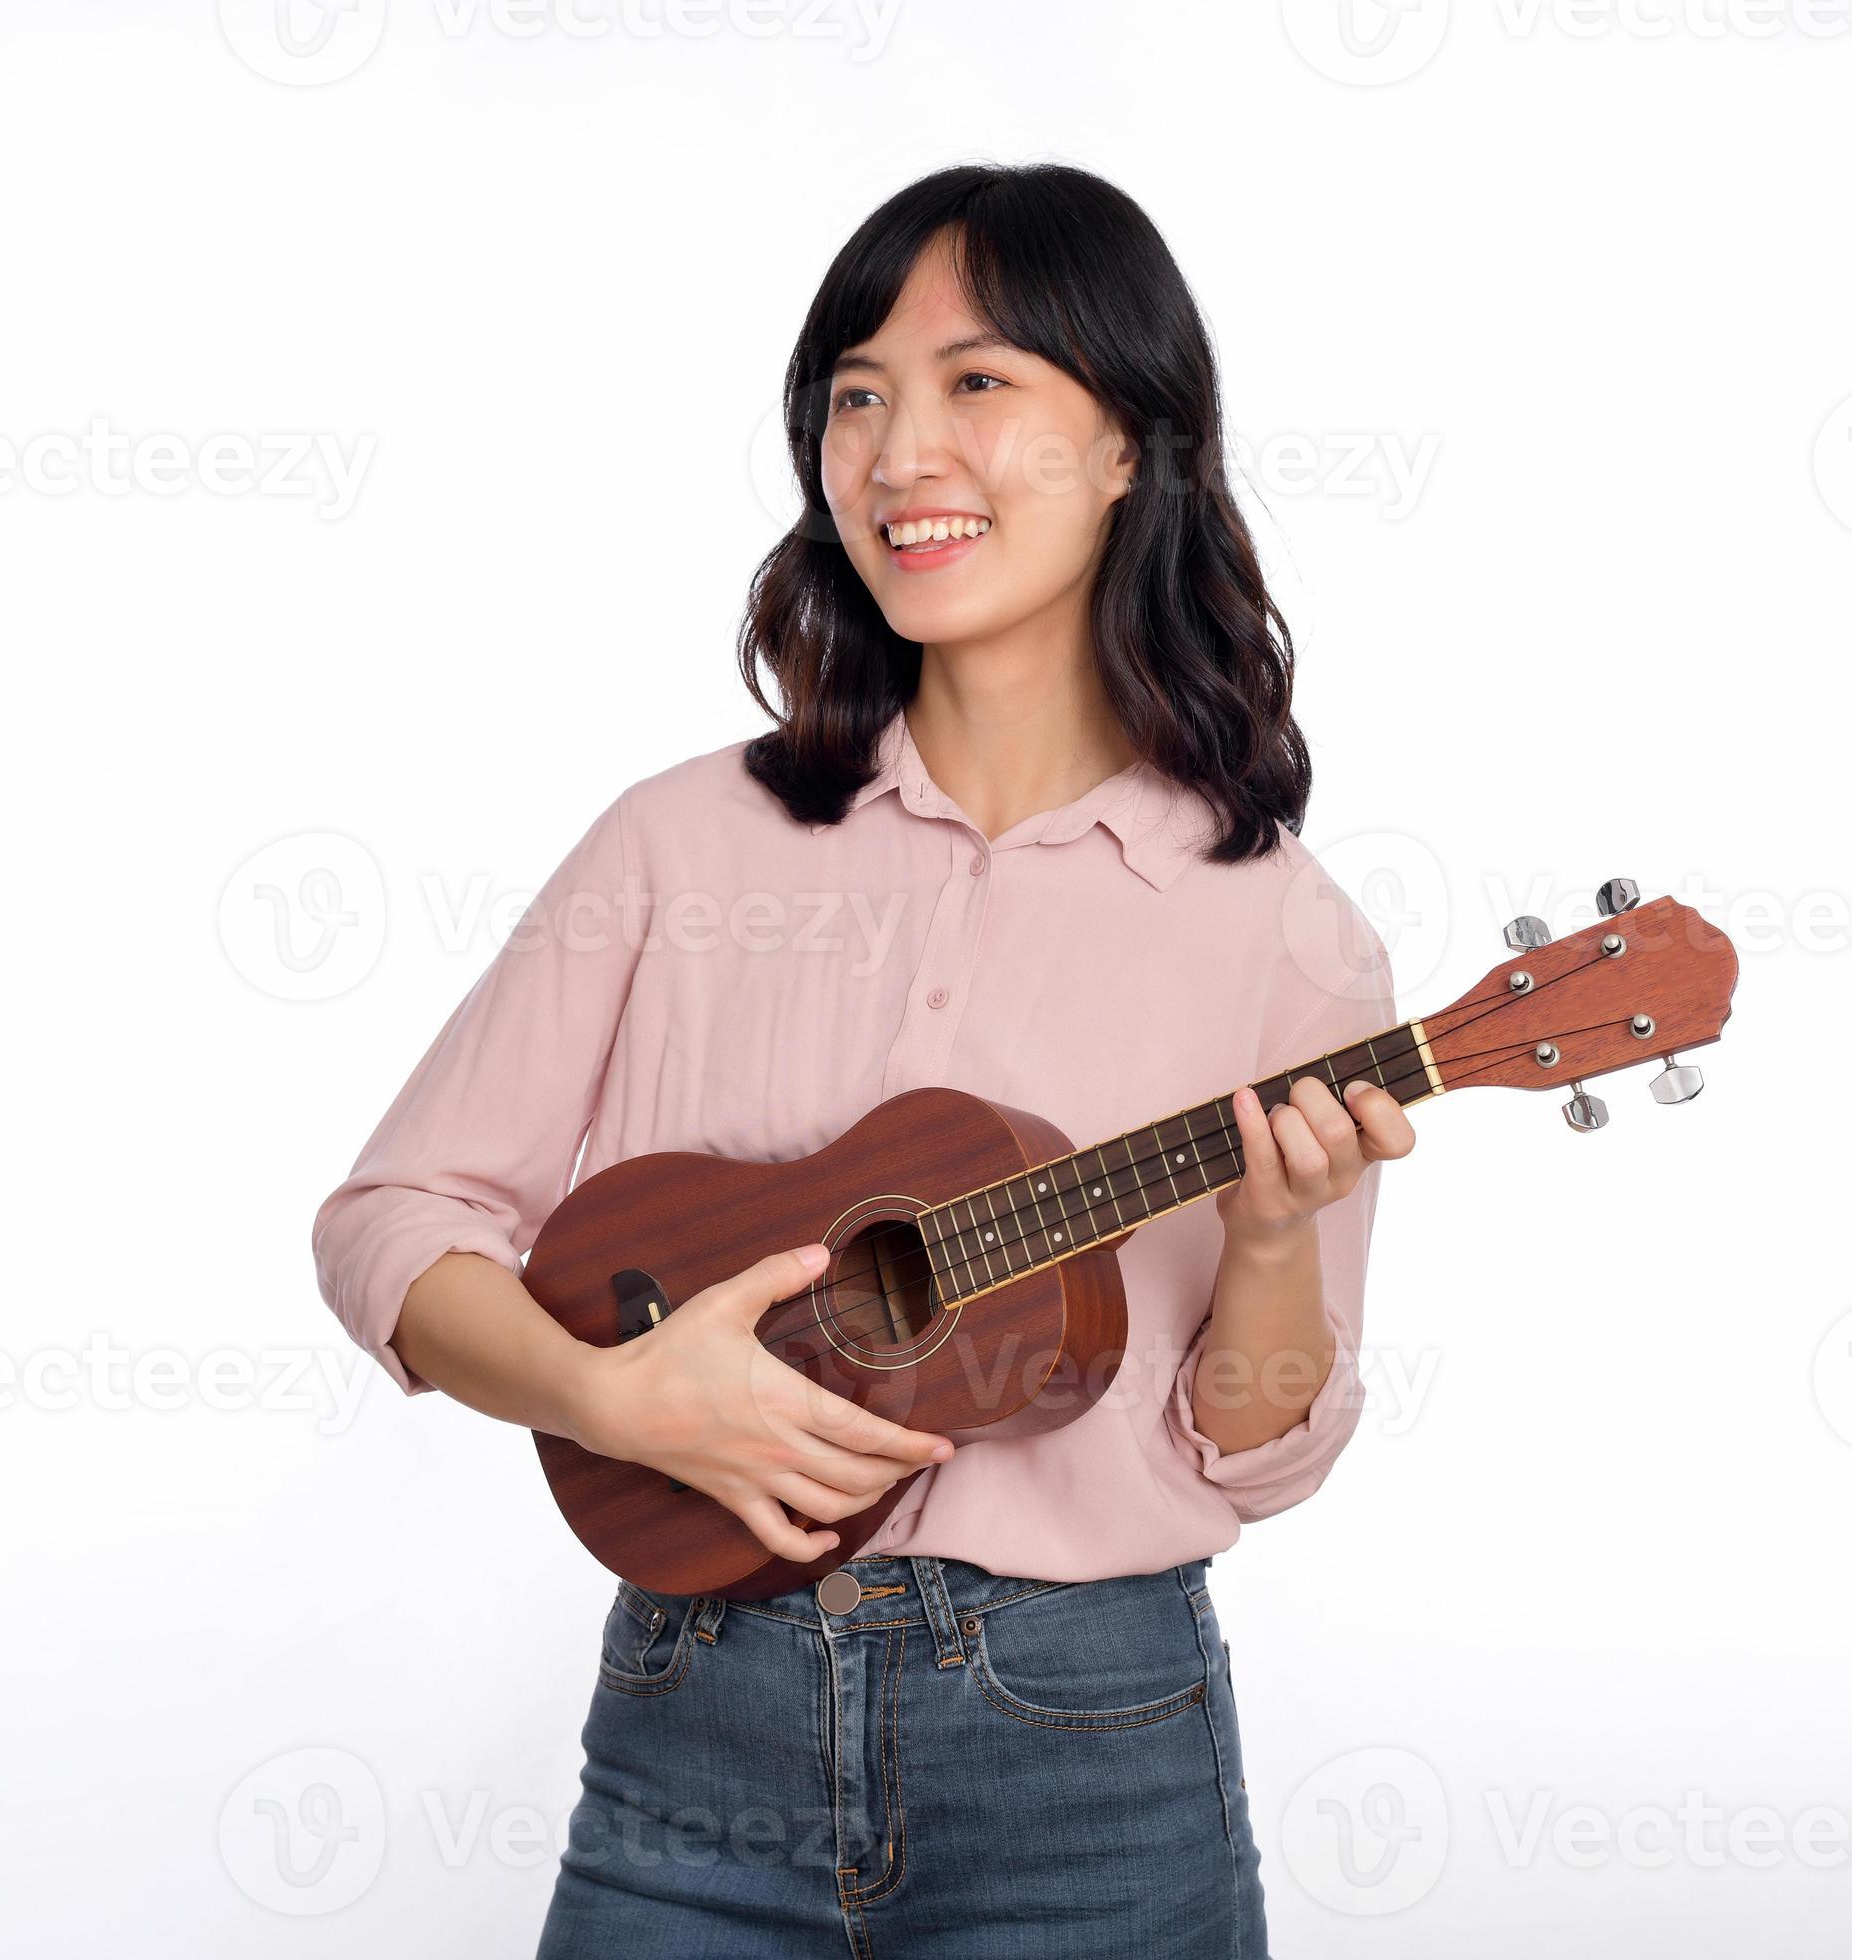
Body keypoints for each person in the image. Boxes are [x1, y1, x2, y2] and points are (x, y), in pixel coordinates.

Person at [311, 160, 1415, 1957]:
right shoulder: (681, 843)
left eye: (979, 381)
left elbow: (1257, 1459)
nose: (901, 452)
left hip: (1088, 1751)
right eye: (856, 394)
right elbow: (391, 1219)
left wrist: (1279, 1239)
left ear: (1131, 443)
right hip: (693, 1719)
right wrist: (606, 1396)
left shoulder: (1284, 933)